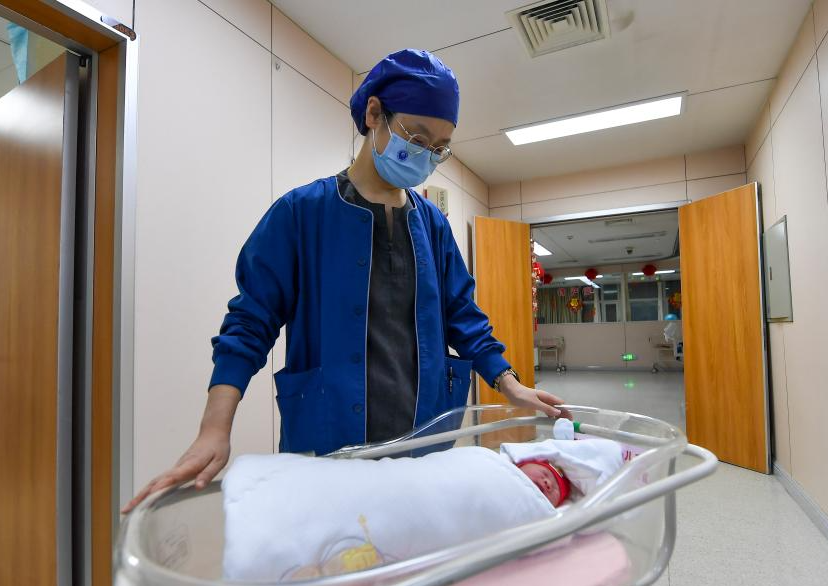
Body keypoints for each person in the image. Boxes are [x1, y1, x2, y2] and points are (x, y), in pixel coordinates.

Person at [124, 49, 569, 512]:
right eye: (417, 137)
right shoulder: (301, 213)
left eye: (439, 147)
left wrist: (510, 383)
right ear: (374, 114)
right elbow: (250, 323)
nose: (426, 155)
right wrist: (214, 429)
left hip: (425, 435)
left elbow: (463, 315)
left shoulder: (433, 225)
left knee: (416, 539)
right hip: (331, 437)